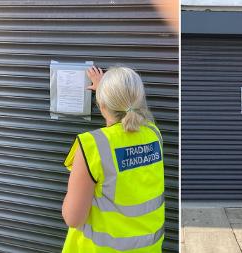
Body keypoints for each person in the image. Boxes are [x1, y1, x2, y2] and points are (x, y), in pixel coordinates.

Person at [61, 66, 165, 253]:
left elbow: (73, 219)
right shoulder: (154, 134)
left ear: (101, 105)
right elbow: (120, 132)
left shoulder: (91, 146)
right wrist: (106, 93)